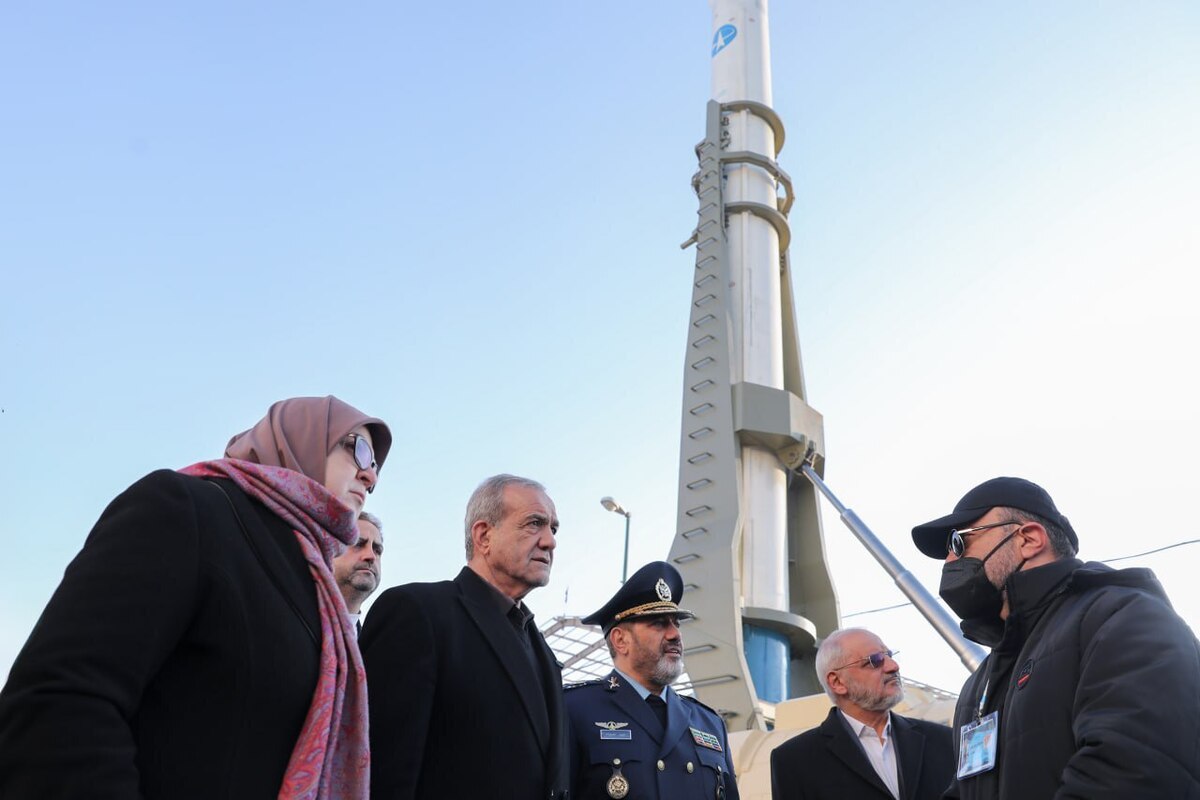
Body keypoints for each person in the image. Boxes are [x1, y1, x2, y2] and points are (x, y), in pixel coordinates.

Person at [0, 395, 391, 800]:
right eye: (358, 449)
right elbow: (61, 701)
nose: (370, 477)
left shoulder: (316, 584)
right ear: (302, 436)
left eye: (376, 467)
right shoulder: (188, 509)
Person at [911, 476, 1200, 798]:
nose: (951, 560)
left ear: (1029, 539)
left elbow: (1135, 768)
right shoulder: (983, 679)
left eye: (958, 542)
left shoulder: (1121, 616)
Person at [361, 474, 569, 800]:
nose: (550, 541)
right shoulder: (417, 613)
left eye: (553, 529)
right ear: (484, 535)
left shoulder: (542, 650)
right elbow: (383, 777)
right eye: (534, 524)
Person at [564, 560, 740, 800]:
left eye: (676, 624)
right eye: (659, 623)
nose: (675, 634)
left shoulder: (709, 723)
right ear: (620, 640)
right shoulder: (574, 710)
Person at [769, 628, 954, 800]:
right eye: (875, 660)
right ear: (837, 682)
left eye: (889, 655)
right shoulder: (794, 761)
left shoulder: (945, 741)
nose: (893, 666)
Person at [333, 511, 384, 634]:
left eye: (377, 550)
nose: (371, 556)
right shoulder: (284, 617)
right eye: (358, 544)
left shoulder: (372, 649)